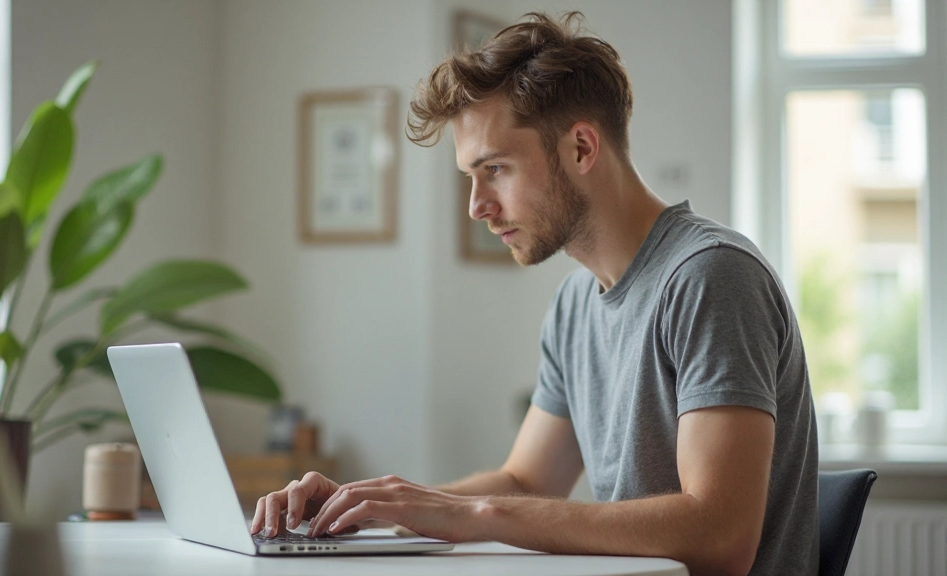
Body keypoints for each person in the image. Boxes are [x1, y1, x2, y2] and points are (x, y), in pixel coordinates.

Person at [250, 11, 818, 576]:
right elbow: (526, 481)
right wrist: (379, 509)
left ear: (581, 148)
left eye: (494, 169)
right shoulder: (576, 304)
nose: (476, 206)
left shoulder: (710, 276)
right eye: (470, 177)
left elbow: (720, 537)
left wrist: (479, 512)